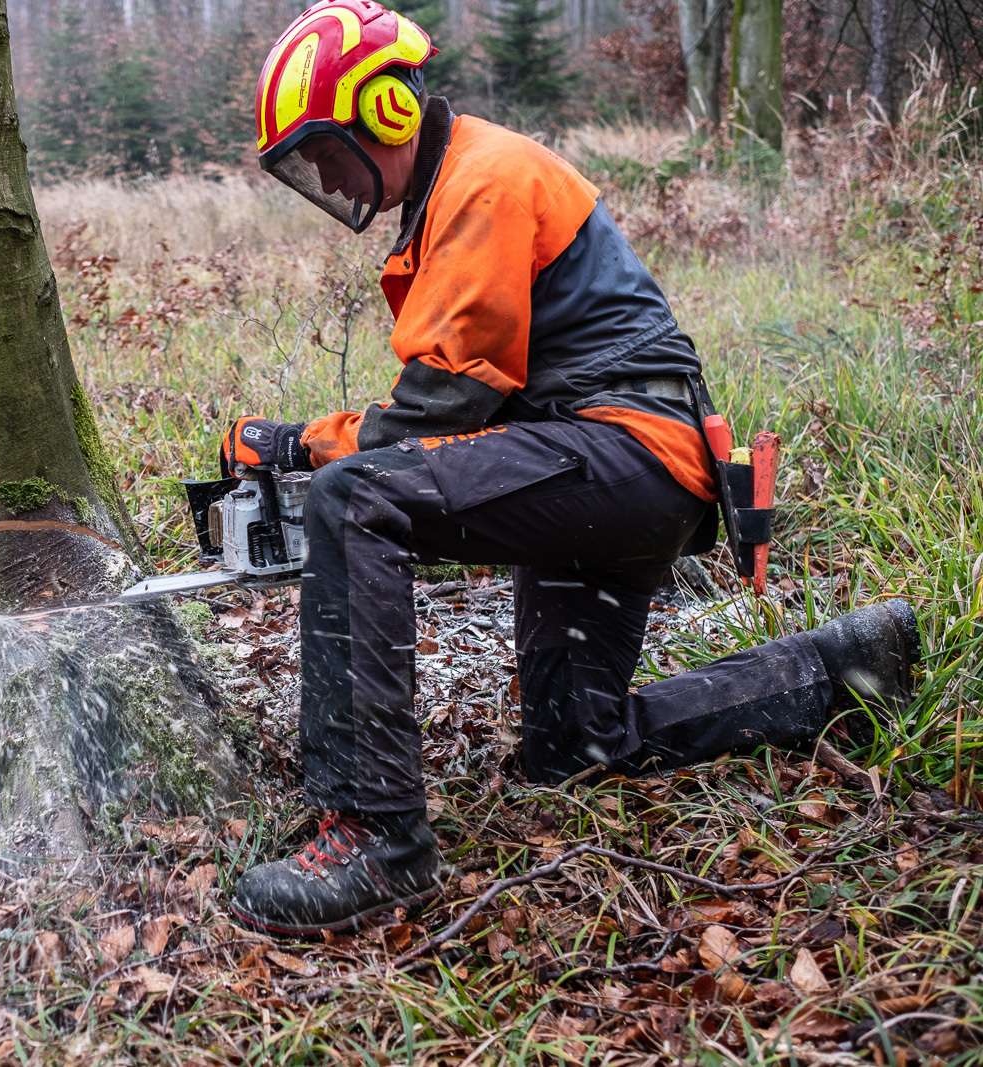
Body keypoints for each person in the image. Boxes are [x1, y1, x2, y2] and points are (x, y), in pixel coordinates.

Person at [222, 0, 921, 937]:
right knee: (576, 743)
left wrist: (303, 444)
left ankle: (376, 837)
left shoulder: (485, 178)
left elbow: (437, 409)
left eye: (328, 153)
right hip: (611, 470)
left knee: (354, 499)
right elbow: (475, 397)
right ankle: (840, 667)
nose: (329, 178)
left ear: (386, 112)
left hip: (622, 455)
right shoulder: (450, 190)